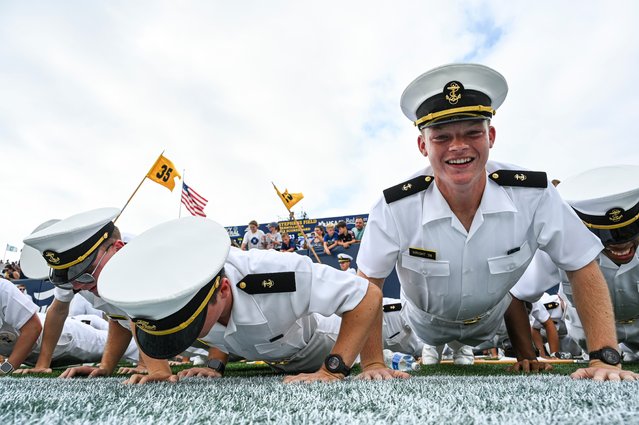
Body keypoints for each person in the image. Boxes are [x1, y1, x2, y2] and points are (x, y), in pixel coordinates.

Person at [355, 63, 636, 381]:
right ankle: (438, 348)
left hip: (489, 323)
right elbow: (369, 285)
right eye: (441, 137)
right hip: (425, 322)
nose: (458, 146)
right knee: (430, 349)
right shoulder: (395, 206)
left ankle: (462, 348)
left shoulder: (534, 194)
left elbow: (582, 264)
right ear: (423, 145)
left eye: (472, 132)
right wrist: (373, 364)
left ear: (490, 135)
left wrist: (604, 358)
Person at [98, 216, 396, 384]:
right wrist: (214, 365)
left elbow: (366, 295)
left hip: (330, 338)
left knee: (403, 327)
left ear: (224, 290)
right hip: (278, 357)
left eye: (191, 326)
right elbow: (222, 328)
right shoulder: (197, 295)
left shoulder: (274, 273)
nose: (189, 335)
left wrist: (346, 367)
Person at [15, 210, 169, 380]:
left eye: (87, 271)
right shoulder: (73, 272)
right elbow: (118, 317)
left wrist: (152, 367)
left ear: (118, 249)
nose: (79, 285)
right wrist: (106, 366)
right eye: (70, 277)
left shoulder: (142, 256)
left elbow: (139, 312)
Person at [513, 165, 639, 364]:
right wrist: (527, 357)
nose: (622, 244)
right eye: (607, 235)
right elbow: (519, 294)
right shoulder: (562, 243)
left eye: (630, 230)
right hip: (591, 334)